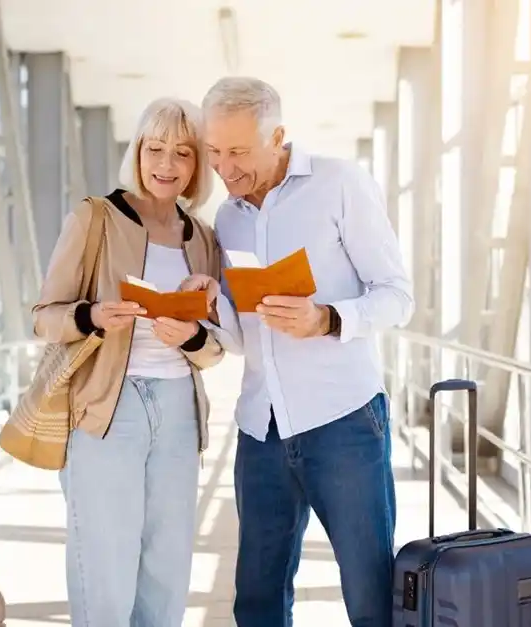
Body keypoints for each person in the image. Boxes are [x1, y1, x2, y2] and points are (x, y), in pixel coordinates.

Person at [181, 77, 414, 627]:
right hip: (260, 431)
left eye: (238, 151)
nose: (225, 168)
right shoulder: (230, 219)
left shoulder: (339, 185)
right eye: (214, 152)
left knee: (370, 596)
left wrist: (329, 318)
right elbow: (244, 339)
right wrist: (216, 306)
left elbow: (398, 296)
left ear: (279, 136)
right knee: (256, 602)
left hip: (345, 424)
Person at [32, 97, 225, 627]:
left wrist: (189, 337)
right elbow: (44, 317)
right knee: (105, 558)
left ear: (195, 166)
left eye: (182, 153)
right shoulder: (95, 218)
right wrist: (93, 315)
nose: (167, 164)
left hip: (179, 411)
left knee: (168, 562)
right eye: (156, 149)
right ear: (137, 152)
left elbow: (215, 345)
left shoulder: (201, 237)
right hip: (105, 408)